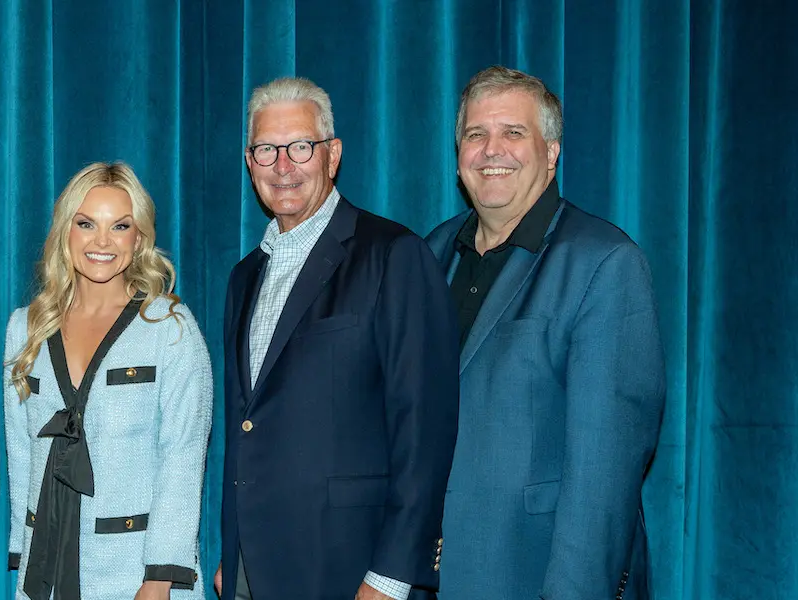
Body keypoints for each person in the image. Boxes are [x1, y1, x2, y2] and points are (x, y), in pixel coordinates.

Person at [424, 65, 665, 600]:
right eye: (475, 134)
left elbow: (605, 477)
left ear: (551, 152)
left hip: (531, 577)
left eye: (514, 133)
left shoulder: (604, 263)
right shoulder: (429, 254)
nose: (492, 150)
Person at [216, 77, 459, 600]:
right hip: (251, 572)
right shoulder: (243, 278)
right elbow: (245, 425)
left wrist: (391, 576)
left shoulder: (394, 256)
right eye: (266, 150)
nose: (284, 165)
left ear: (333, 155)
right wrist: (231, 550)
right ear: (249, 161)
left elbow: (425, 429)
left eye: (300, 146)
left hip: (351, 570)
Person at [4, 162, 213, 599]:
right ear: (66, 231)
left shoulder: (170, 329)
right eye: (86, 224)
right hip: (47, 573)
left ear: (138, 239)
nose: (102, 241)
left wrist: (159, 578)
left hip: (138, 575)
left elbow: (183, 456)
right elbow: (22, 452)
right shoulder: (25, 329)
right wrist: (23, 560)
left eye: (119, 226)